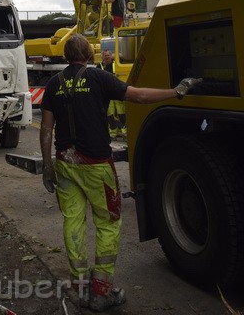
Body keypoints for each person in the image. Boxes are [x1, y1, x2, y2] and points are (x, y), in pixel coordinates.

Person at [40, 34, 201, 312]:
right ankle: (101, 291)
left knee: (73, 222)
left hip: (65, 163)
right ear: (89, 56)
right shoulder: (99, 78)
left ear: (66, 56)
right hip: (95, 166)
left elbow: (45, 129)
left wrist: (46, 166)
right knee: (107, 223)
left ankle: (78, 287)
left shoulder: (53, 84)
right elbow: (138, 95)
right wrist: (176, 92)